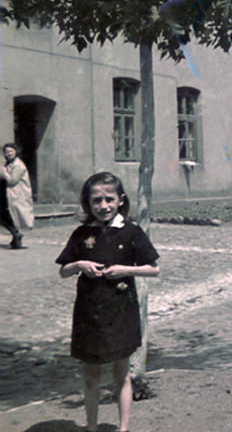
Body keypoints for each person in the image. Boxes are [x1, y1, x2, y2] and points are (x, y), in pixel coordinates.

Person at [55, 172, 160, 432]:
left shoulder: (131, 232)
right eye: (96, 201)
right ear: (88, 204)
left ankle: (123, 428)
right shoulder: (82, 233)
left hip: (121, 310)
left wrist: (126, 270)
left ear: (120, 200)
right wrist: (80, 264)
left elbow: (153, 268)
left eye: (109, 199)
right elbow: (63, 270)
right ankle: (91, 427)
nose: (103, 206)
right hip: (89, 313)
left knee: (121, 373)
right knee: (91, 375)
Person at [1, 143, 33, 248]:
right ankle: (15, 236)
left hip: (17, 196)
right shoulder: (9, 163)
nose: (9, 153)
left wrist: (4, 172)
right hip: (9, 195)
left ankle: (16, 235)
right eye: (7, 152)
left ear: (15, 151)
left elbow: (12, 181)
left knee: (12, 217)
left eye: (11, 151)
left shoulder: (18, 165)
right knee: (7, 217)